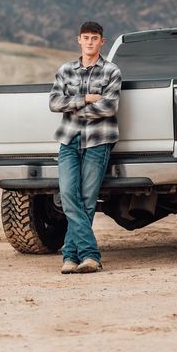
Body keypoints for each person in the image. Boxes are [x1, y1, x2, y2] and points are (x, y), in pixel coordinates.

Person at [49, 21, 122, 274]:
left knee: (87, 199)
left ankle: (70, 257)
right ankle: (90, 254)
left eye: (94, 38)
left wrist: (75, 107)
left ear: (102, 42)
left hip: (99, 141)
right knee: (69, 197)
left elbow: (110, 107)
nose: (90, 42)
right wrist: (86, 99)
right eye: (86, 37)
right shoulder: (66, 70)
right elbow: (55, 103)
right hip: (69, 140)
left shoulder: (112, 71)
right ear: (78, 40)